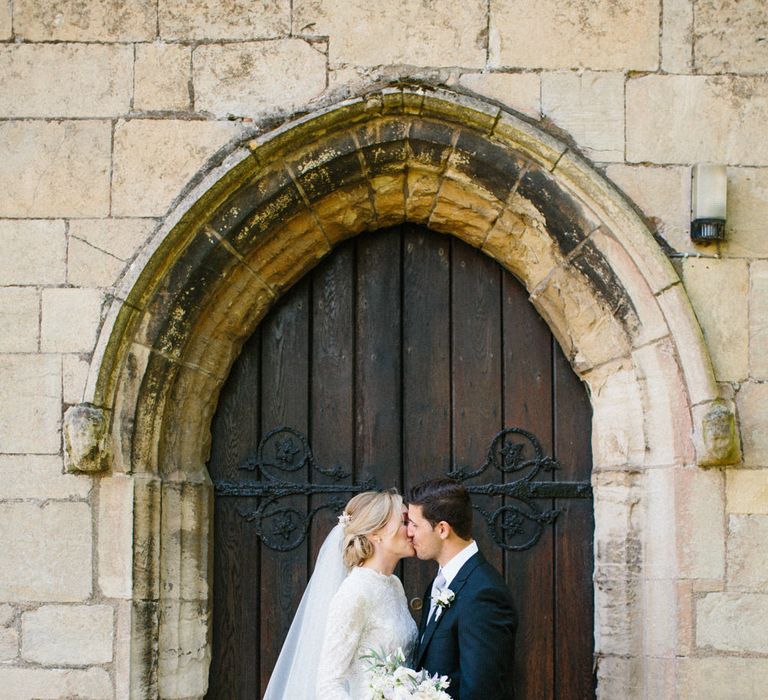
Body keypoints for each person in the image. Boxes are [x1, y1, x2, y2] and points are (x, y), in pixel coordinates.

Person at [263, 489, 417, 700]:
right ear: (375, 534)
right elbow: (328, 685)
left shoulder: (394, 585)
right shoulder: (355, 592)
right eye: (404, 522)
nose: (411, 530)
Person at [407, 478, 517, 700]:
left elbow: (481, 692)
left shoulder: (483, 594)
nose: (409, 532)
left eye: (415, 524)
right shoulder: (440, 583)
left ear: (442, 529)